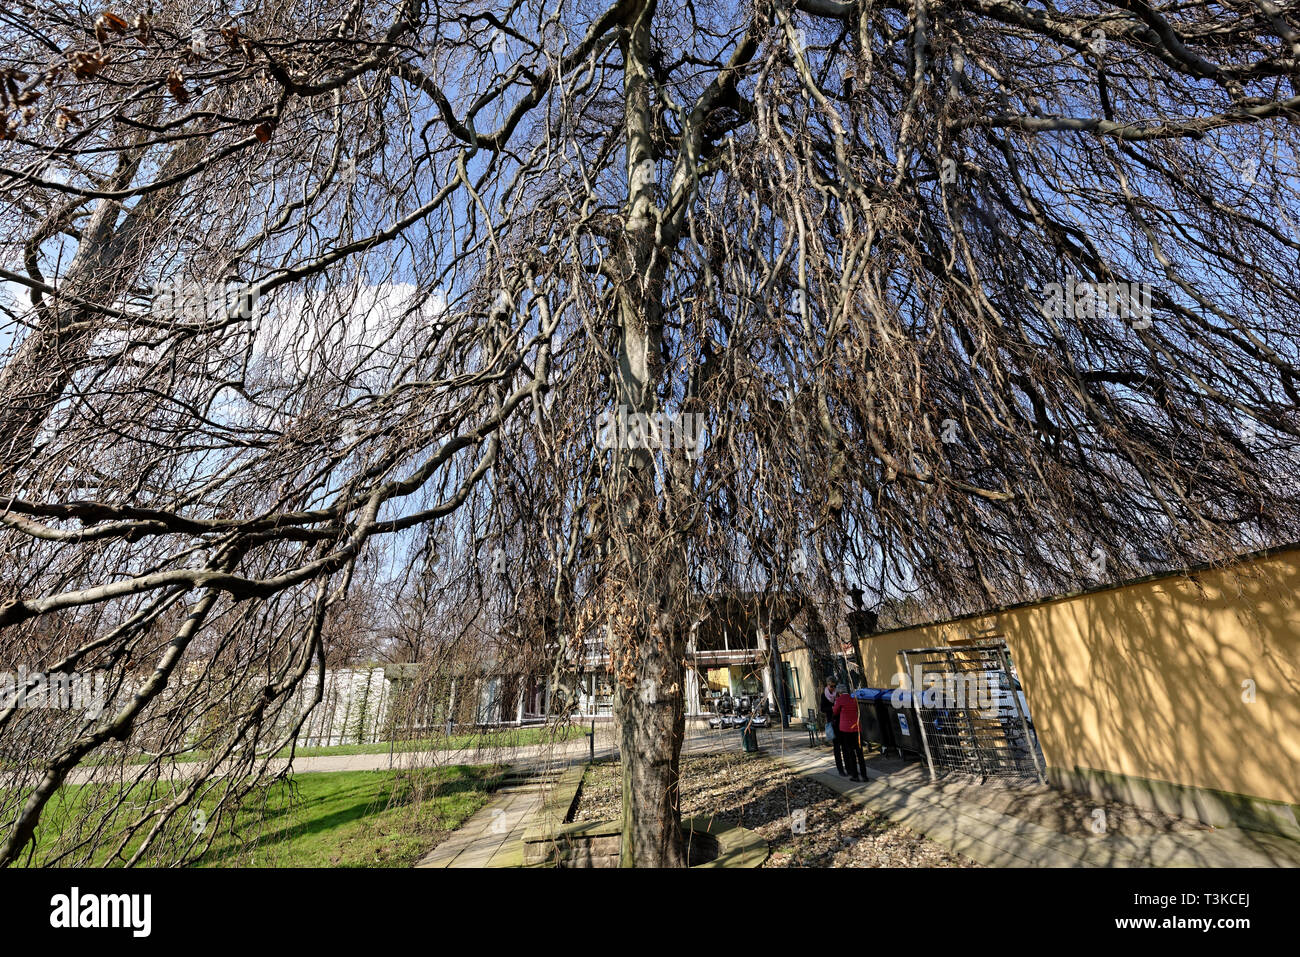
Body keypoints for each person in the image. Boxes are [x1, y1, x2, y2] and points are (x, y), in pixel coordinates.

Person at [833, 683, 866, 782]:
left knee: (850, 752)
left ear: (839, 692)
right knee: (859, 752)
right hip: (856, 728)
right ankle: (864, 775)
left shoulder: (839, 700)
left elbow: (835, 711)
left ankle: (855, 775)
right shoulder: (853, 698)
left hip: (846, 729)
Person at [820, 678, 844, 775]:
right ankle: (840, 769)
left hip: (841, 720)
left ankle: (849, 767)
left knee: (845, 745)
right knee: (837, 746)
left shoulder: (838, 694)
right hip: (832, 721)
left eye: (834, 686)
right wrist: (832, 708)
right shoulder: (824, 695)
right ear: (827, 685)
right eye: (831, 686)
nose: (833, 688)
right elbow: (822, 708)